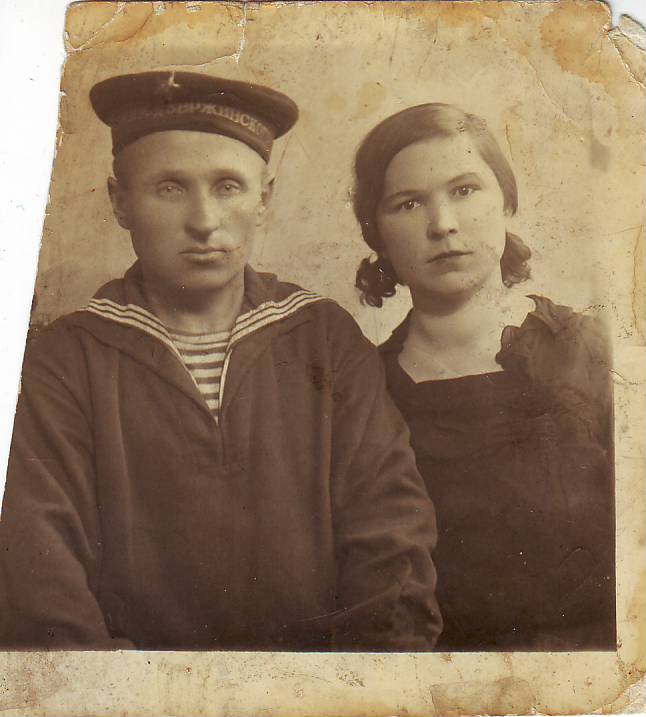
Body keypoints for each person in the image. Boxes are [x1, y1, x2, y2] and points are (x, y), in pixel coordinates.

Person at [0, 71, 442, 651]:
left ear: (264, 199)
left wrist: (364, 682)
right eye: (169, 188)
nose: (205, 221)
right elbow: (40, 566)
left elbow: (390, 531)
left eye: (229, 186)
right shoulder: (67, 358)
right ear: (120, 202)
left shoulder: (321, 336)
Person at [353, 103, 616, 651]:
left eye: (465, 190)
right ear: (377, 232)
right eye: (408, 203)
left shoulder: (595, 354)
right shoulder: (363, 394)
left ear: (507, 201)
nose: (442, 224)